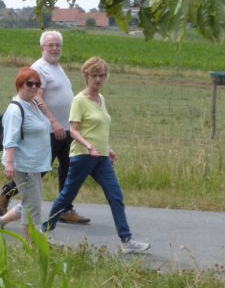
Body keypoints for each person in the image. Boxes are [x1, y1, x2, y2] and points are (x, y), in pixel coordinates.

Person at [43, 57, 150, 254]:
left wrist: (107, 148)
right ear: (86, 76)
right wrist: (88, 145)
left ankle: (126, 240)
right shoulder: (79, 100)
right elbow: (73, 130)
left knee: (115, 196)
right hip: (83, 155)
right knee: (67, 196)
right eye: (94, 75)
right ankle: (44, 233)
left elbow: (99, 127)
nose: (98, 80)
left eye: (102, 75)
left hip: (101, 158)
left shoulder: (101, 100)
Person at [0, 31, 91, 224]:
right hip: (49, 129)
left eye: (58, 45)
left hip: (65, 128)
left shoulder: (57, 67)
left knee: (67, 168)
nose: (55, 48)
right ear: (43, 48)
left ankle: (65, 209)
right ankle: (7, 192)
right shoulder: (39, 68)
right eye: (51, 45)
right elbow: (37, 97)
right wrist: (53, 120)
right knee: (40, 170)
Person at [0, 68, 51, 238]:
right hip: (24, 165)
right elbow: (10, 140)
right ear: (20, 84)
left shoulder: (34, 104)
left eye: (37, 84)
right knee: (32, 206)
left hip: (36, 164)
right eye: (29, 83)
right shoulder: (15, 110)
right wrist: (10, 164)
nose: (34, 87)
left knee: (30, 202)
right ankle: (31, 247)